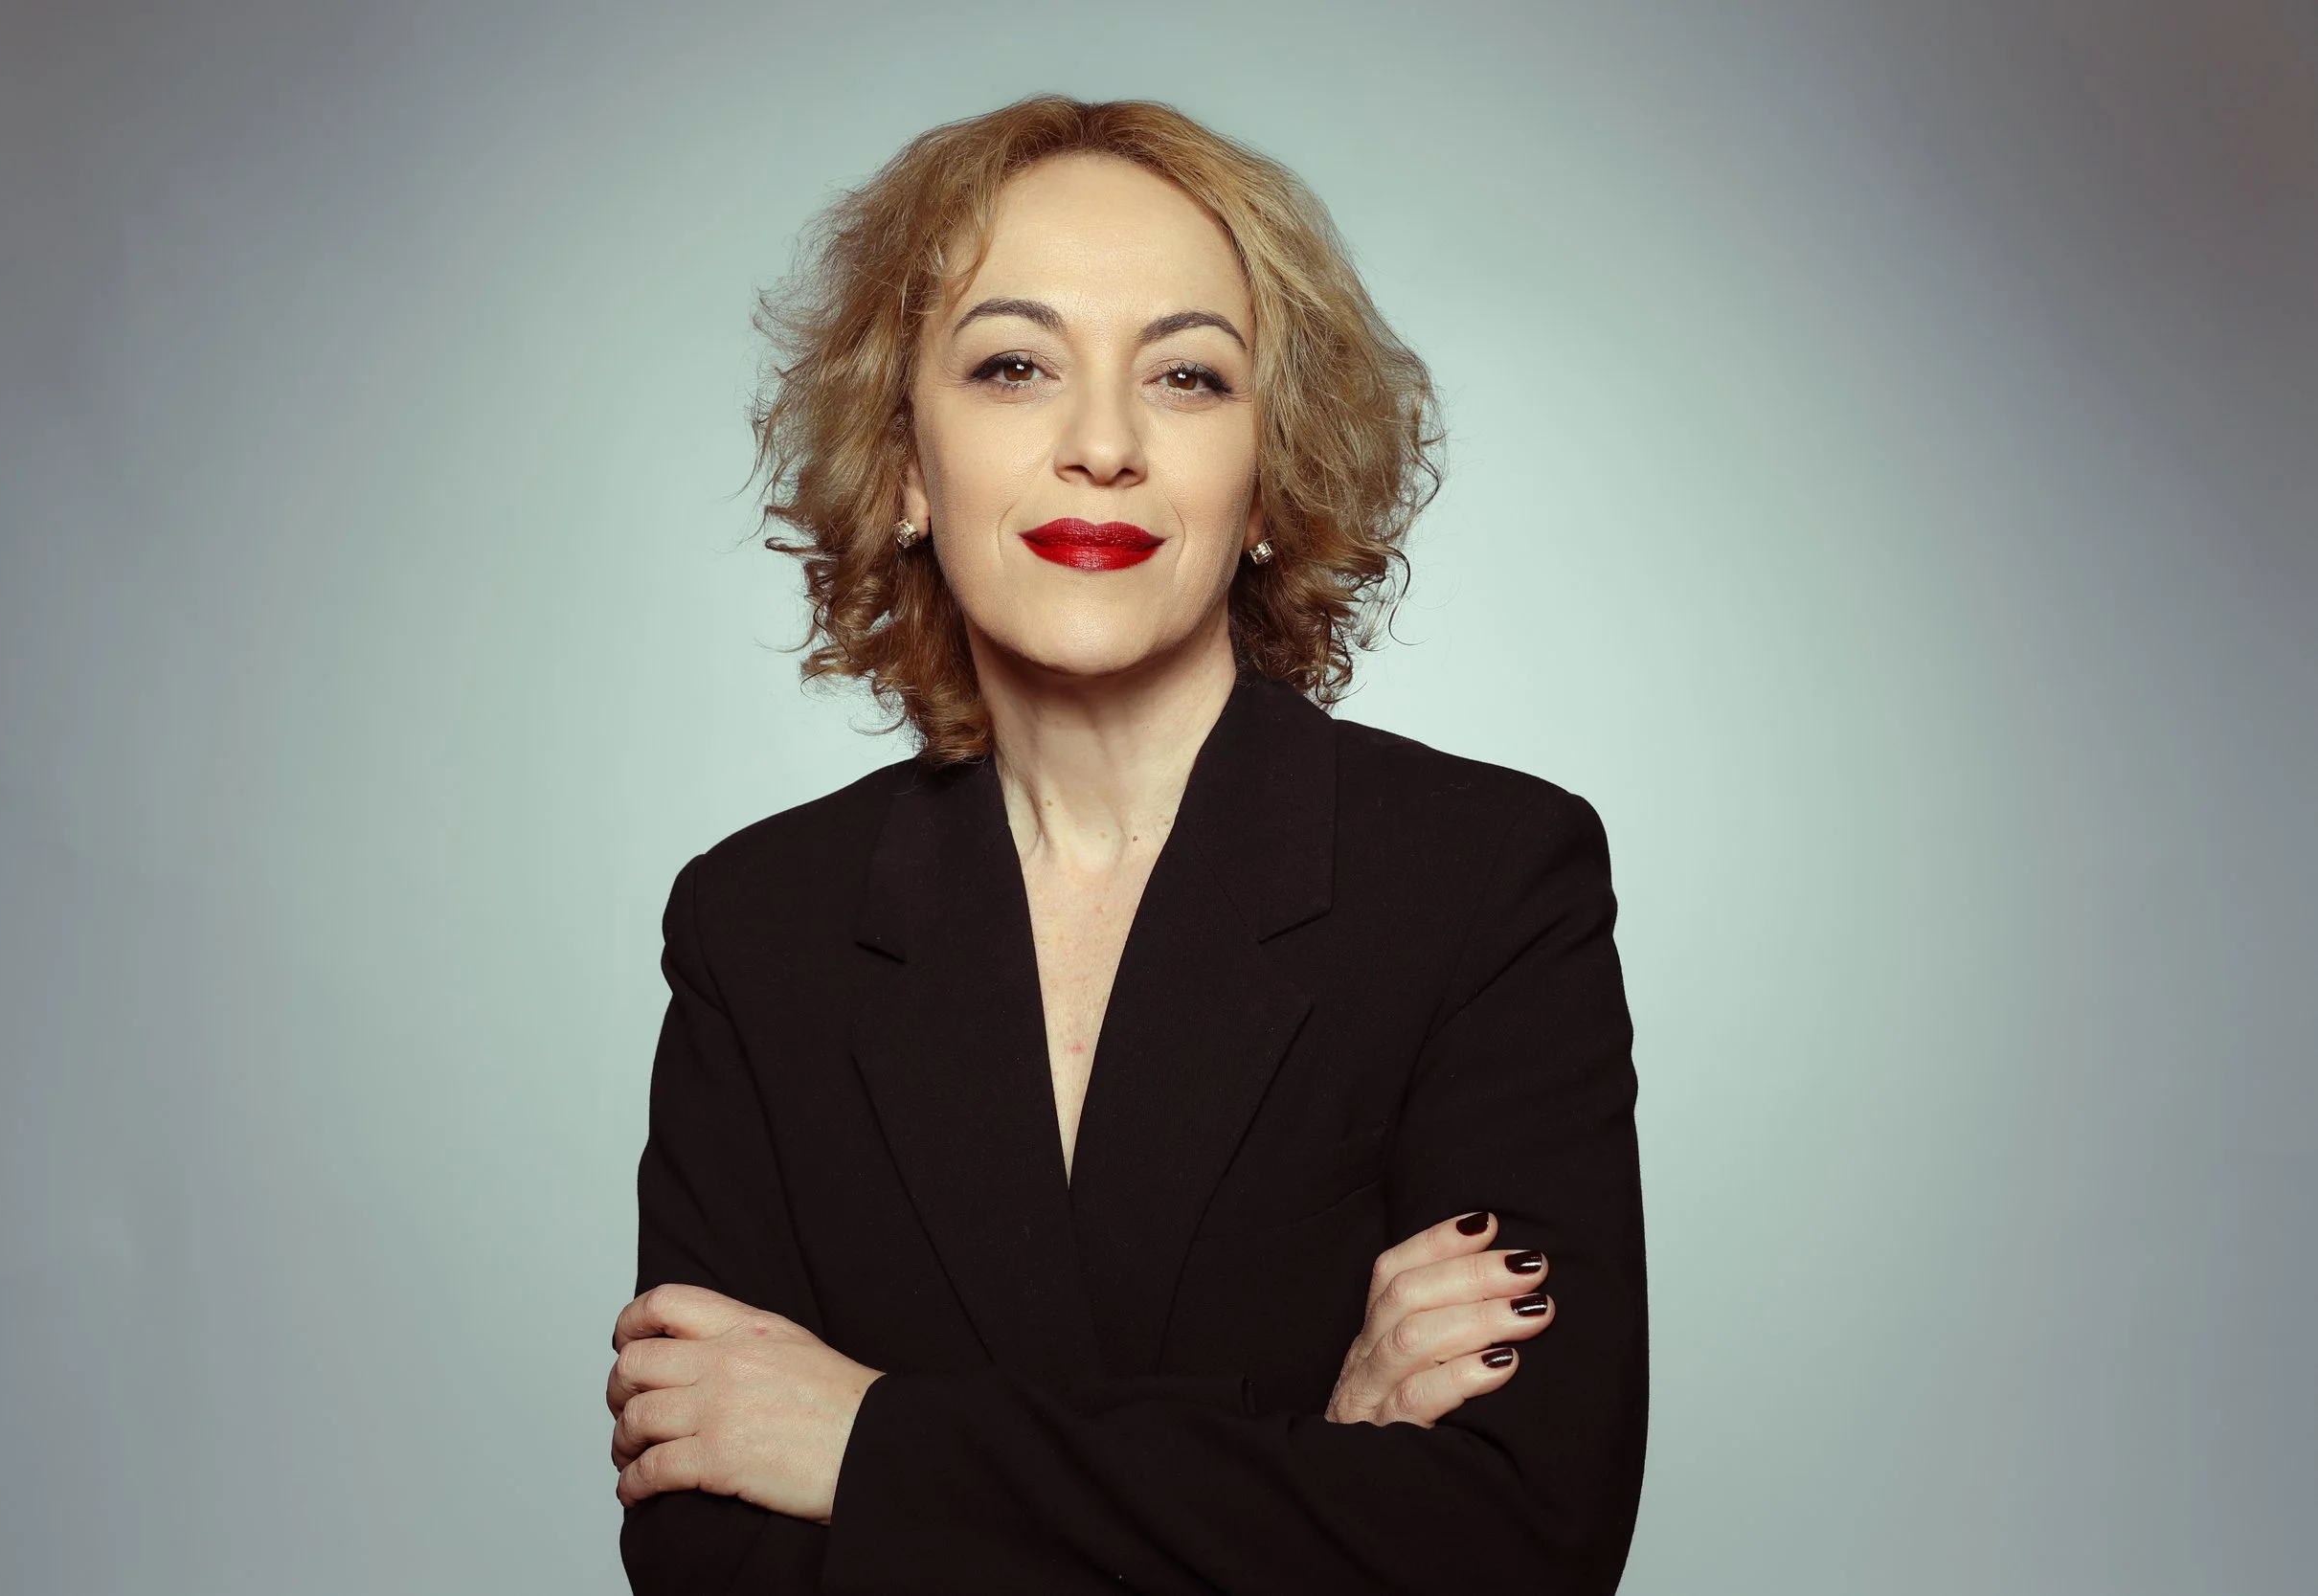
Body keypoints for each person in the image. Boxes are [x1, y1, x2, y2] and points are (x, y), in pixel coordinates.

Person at [603, 95, 1648, 1593]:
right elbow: (709, 1556)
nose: (1102, 444)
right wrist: (1312, 1452)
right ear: (906, 466)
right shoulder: (758, 926)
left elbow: (1514, 1543)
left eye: (1188, 375)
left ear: (1269, 479)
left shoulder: (1487, 880)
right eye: (1014, 366)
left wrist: (868, 1444)